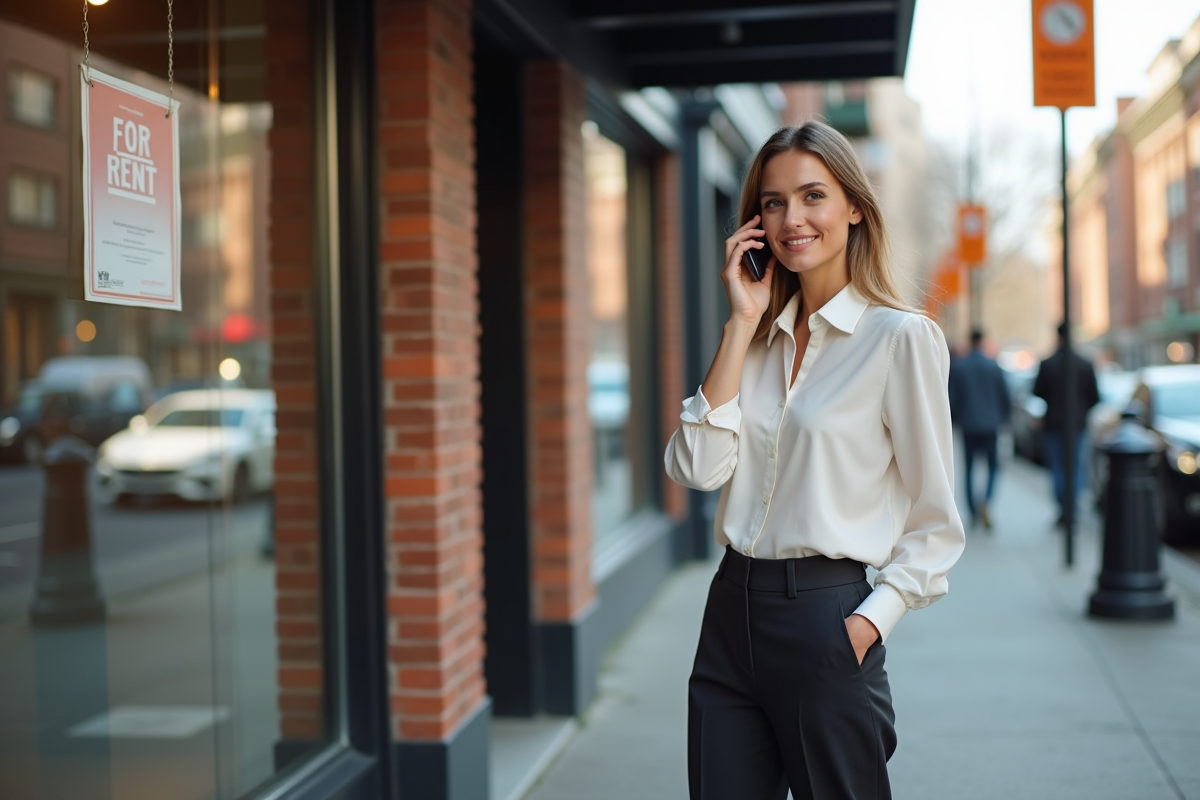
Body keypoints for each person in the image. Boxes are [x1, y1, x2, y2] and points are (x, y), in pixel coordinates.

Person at [664, 121, 965, 800]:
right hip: (729, 616)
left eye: (812, 196)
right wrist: (739, 324)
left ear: (853, 205)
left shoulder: (900, 338)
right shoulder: (758, 339)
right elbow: (694, 470)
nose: (791, 219)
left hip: (826, 619)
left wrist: (868, 623)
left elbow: (935, 522)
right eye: (773, 203)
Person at [1033, 323, 1100, 526]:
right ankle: (1071, 508)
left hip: (1053, 423)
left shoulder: (1048, 363)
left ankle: (1065, 508)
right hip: (1077, 425)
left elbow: (1037, 392)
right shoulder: (1084, 363)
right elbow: (1095, 397)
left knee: (1057, 468)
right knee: (1076, 467)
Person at [948, 328, 1011, 529]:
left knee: (969, 469)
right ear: (982, 340)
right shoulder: (993, 366)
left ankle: (974, 512)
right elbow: (1004, 396)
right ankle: (986, 500)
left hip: (968, 425)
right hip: (991, 425)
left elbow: (952, 399)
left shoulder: (959, 367)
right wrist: (1003, 420)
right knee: (993, 467)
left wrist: (954, 422)